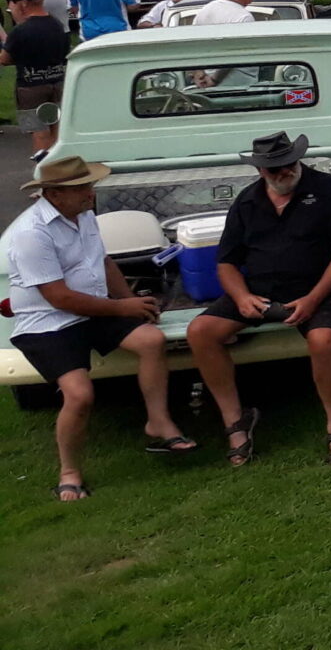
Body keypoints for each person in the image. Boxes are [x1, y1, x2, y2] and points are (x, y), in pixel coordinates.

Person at [6, 156, 195, 499]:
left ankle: (158, 421)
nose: (90, 194)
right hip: (47, 322)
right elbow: (58, 297)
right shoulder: (30, 233)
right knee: (79, 395)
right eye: (81, 188)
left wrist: (133, 307)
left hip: (94, 311)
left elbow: (103, 262)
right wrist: (121, 306)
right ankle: (69, 470)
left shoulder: (83, 215)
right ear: (53, 194)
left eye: (89, 186)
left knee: (150, 339)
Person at [186, 131, 331, 468]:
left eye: (288, 165)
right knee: (200, 332)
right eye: (274, 169)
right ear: (260, 171)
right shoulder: (246, 202)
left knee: (323, 338)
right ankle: (236, 423)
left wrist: (313, 299)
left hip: (322, 287)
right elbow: (226, 262)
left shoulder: (330, 191)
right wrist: (241, 297)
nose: (283, 173)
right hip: (261, 290)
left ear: (297, 160)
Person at [3, 0, 69, 155]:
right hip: (57, 82)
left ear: (23, 3)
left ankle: (43, 172)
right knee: (55, 127)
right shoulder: (57, 25)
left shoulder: (21, 31)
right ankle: (59, 165)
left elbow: (5, 59)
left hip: (30, 87)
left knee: (39, 132)